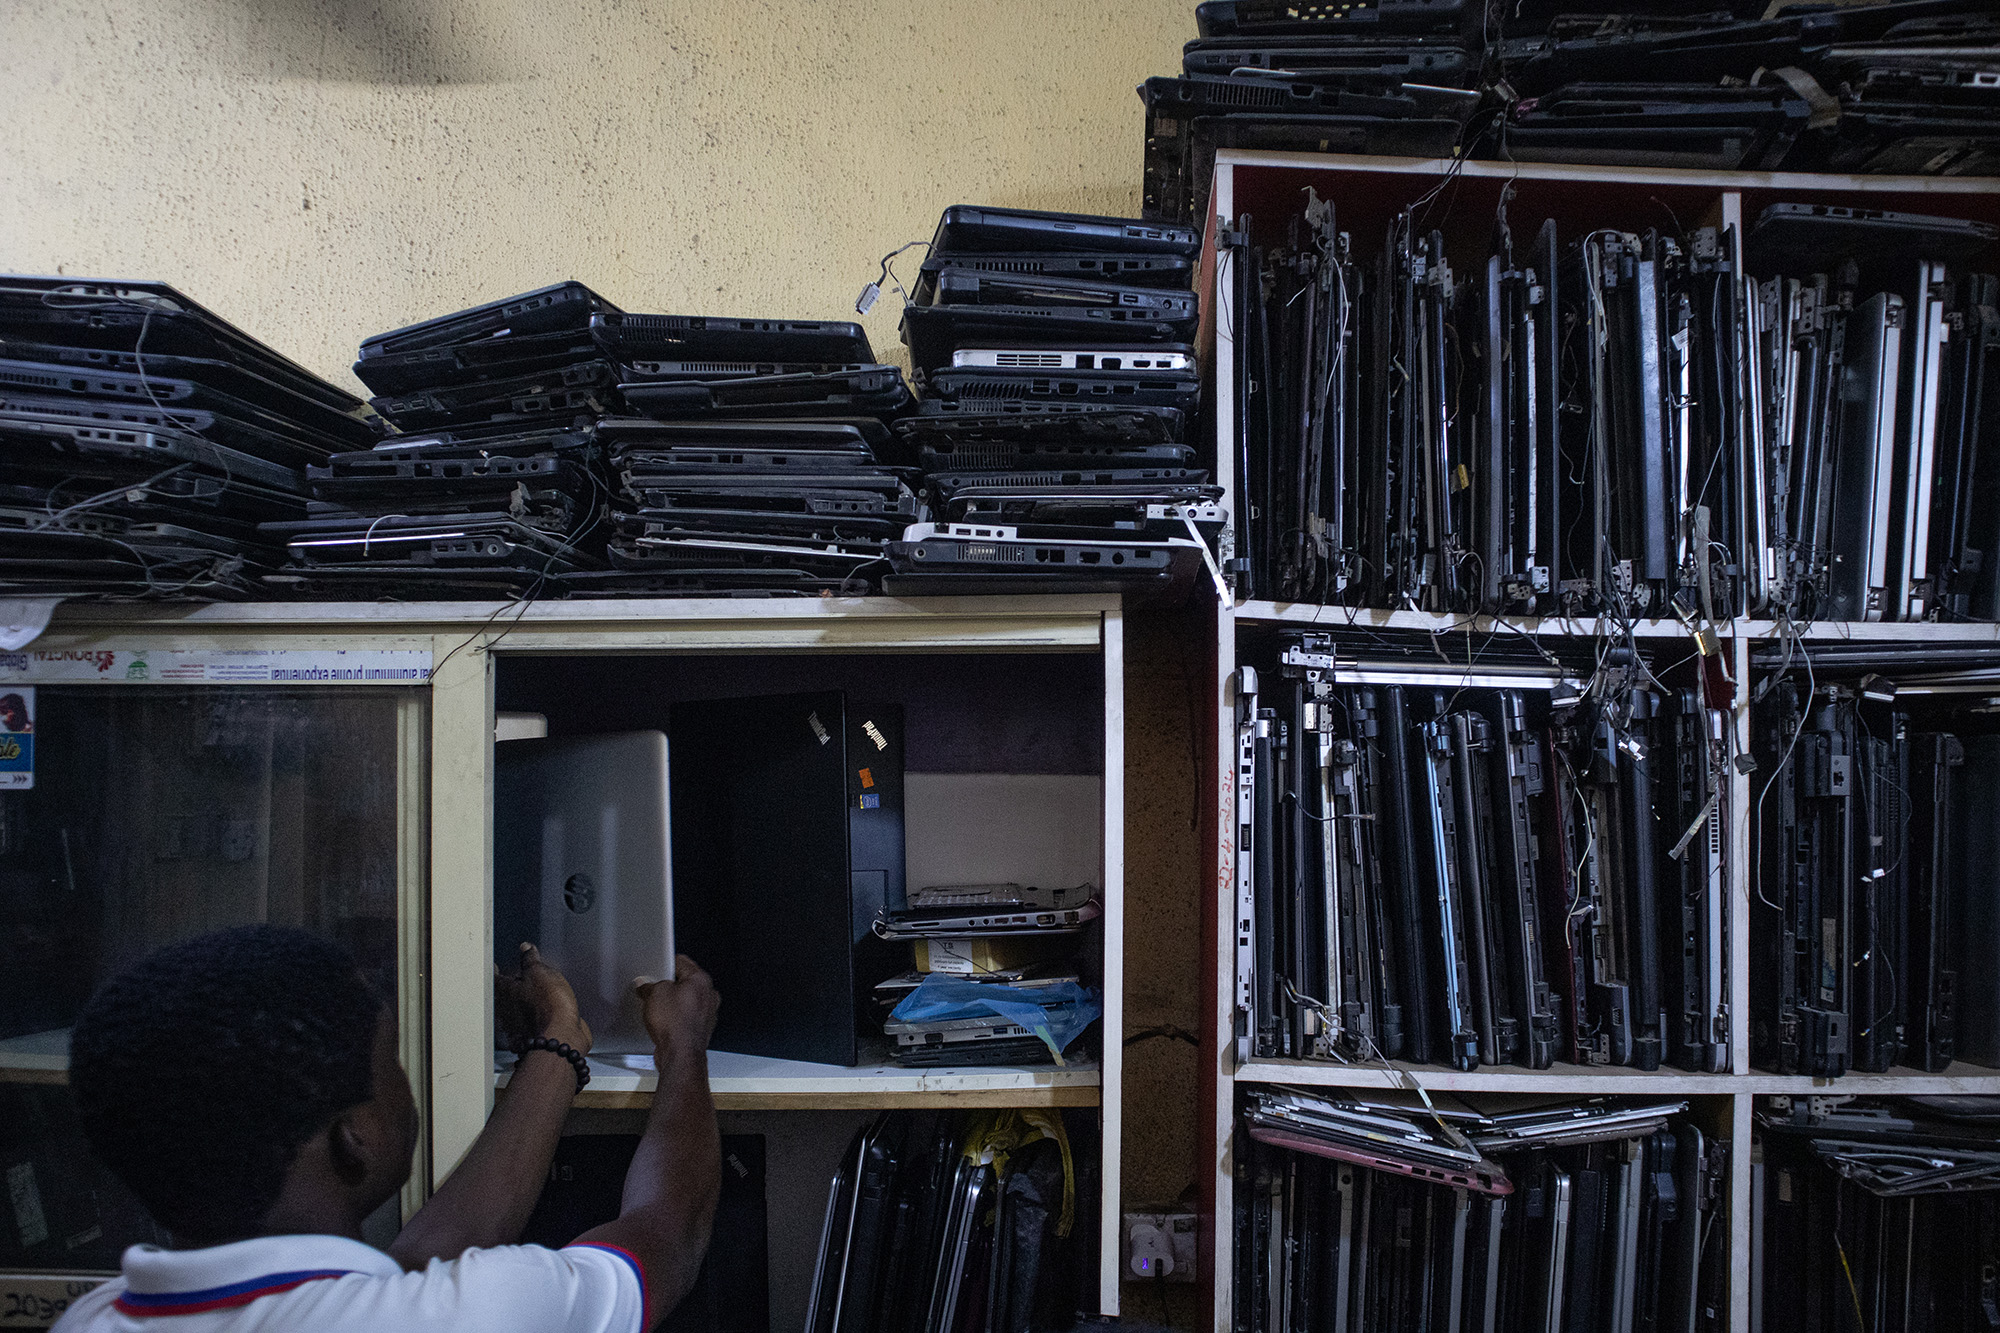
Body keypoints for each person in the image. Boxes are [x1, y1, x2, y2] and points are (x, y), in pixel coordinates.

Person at [52, 925, 721, 1332]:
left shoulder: (90, 1317)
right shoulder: (468, 1316)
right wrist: (685, 1046)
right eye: (390, 1060)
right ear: (354, 1138)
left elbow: (416, 1265)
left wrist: (557, 1045)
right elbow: (668, 1229)